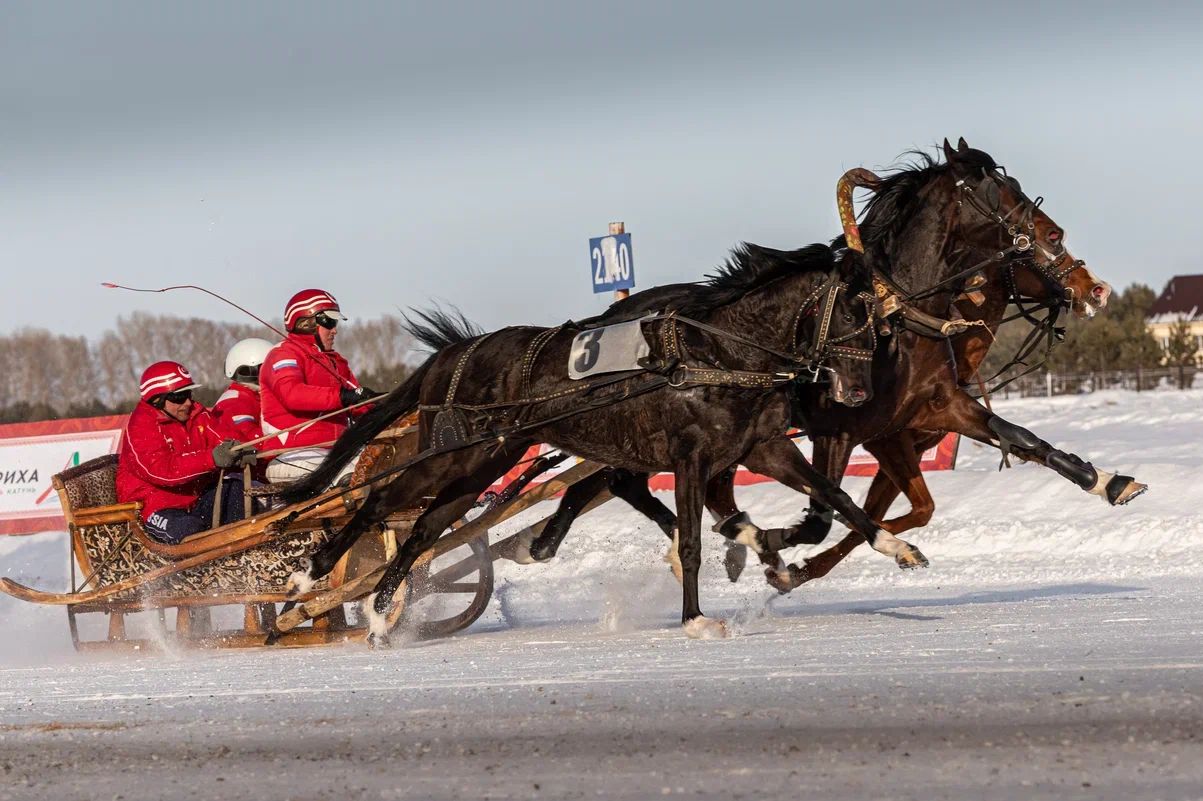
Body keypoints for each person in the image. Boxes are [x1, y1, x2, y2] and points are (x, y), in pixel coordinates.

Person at [116, 360, 257, 544]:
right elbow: (162, 470)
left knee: (236, 490)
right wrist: (212, 458)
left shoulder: (197, 414)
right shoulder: (141, 426)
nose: (188, 402)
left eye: (189, 394)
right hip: (154, 507)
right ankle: (213, 559)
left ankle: (243, 548)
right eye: (179, 397)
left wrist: (242, 449)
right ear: (157, 400)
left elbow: (223, 437)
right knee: (191, 530)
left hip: (195, 500)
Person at [259, 289, 380, 483]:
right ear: (306, 323)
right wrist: (343, 396)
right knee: (352, 478)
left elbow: (359, 404)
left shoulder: (336, 362)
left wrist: (384, 405)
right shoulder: (283, 354)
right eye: (329, 322)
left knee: (384, 467)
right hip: (292, 455)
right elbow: (293, 394)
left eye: (335, 323)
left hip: (335, 451)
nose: (335, 330)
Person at [214, 338, 274, 443]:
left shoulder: (254, 396)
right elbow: (251, 440)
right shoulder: (235, 402)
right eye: (268, 368)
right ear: (251, 371)